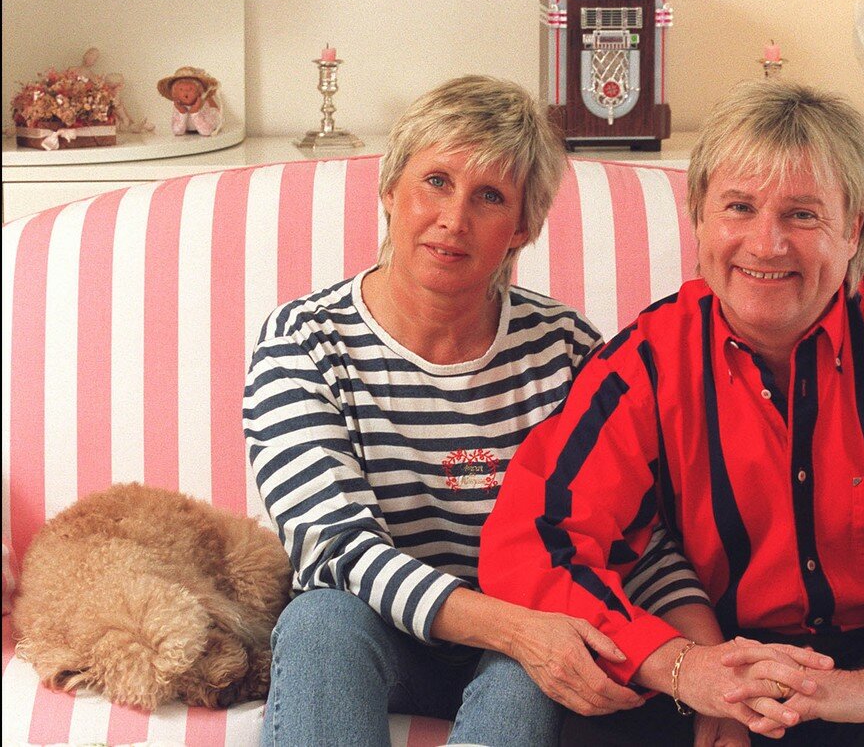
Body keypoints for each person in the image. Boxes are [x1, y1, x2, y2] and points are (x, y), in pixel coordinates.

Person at [476, 79, 864, 746]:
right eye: (739, 207)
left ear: (853, 231)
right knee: (591, 718)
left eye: (801, 215)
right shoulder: (645, 363)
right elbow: (534, 539)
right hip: (717, 653)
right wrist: (684, 669)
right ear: (700, 219)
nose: (766, 245)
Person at [243, 75, 690, 746]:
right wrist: (521, 630)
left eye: (489, 197)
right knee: (321, 619)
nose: (454, 219)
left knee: (534, 663)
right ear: (390, 190)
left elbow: (635, 535)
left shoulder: (566, 349)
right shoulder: (304, 342)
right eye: (436, 182)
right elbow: (337, 550)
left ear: (522, 227)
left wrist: (699, 668)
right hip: (374, 637)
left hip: (521, 647)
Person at [157, 66, 222, 136]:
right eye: (181, 89)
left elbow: (206, 132)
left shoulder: (204, 106)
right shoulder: (178, 106)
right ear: (175, 94)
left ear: (199, 92)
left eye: (190, 89)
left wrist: (195, 112)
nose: (185, 92)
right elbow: (177, 132)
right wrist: (182, 112)